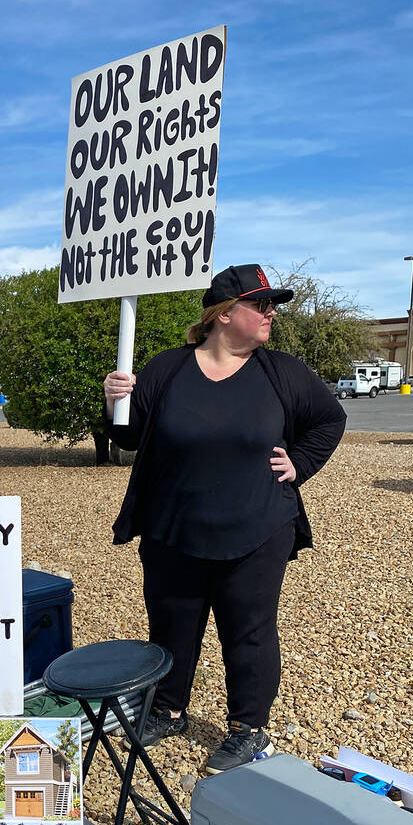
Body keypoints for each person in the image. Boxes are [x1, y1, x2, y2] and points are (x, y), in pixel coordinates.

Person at [103, 264, 346, 774]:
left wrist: (298, 463)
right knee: (171, 626)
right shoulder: (166, 369)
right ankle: (169, 710)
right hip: (174, 530)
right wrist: (114, 403)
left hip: (256, 531)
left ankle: (248, 729)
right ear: (224, 314)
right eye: (261, 305)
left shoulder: (281, 372)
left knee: (249, 631)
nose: (270, 314)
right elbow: (129, 440)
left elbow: (330, 419)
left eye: (271, 306)